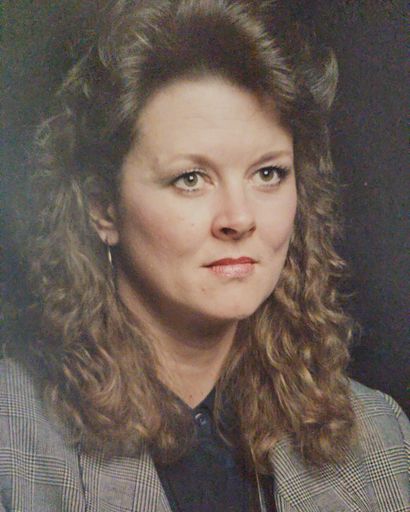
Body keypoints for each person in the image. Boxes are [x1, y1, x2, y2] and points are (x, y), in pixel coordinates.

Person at [0, 1, 408, 511]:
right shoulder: (13, 441)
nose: (239, 218)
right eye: (190, 178)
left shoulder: (381, 437)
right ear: (103, 209)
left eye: (268, 173)